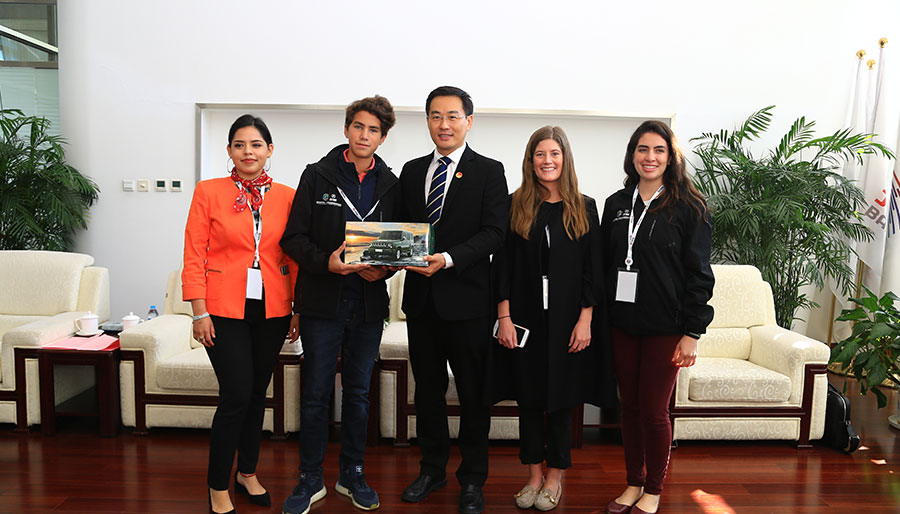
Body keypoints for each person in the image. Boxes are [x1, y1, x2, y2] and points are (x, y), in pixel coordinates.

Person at [279, 95, 398, 514]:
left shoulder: (391, 183)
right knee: (315, 393)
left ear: (382, 138)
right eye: (358, 126)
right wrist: (326, 263)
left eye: (373, 130)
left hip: (368, 305)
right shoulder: (317, 175)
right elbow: (293, 238)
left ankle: (352, 474)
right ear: (347, 129)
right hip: (322, 303)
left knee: (359, 394)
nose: (364, 135)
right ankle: (310, 477)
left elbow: (399, 244)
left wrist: (385, 271)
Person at [397, 86, 509, 514]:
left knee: (473, 394)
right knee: (428, 391)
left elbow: (495, 233)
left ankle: (473, 478)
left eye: (452, 116)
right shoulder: (411, 171)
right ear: (427, 120)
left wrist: (447, 258)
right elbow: (401, 229)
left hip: (468, 303)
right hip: (422, 302)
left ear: (469, 121)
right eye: (435, 116)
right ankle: (432, 469)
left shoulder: (489, 171)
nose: (443, 125)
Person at [183, 114, 299, 514]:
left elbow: (292, 255)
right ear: (230, 151)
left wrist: (296, 307)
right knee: (235, 394)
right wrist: (198, 311)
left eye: (256, 144)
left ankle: (247, 472)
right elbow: (194, 252)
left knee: (255, 394)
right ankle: (217, 485)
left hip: (273, 307)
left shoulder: (287, 196)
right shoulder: (208, 191)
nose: (248, 152)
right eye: (239, 145)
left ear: (269, 150)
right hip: (222, 307)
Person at [600, 120, 714, 514]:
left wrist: (692, 332)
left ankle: (654, 488)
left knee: (653, 411)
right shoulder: (617, 203)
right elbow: (605, 263)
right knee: (629, 408)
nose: (650, 157)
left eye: (659, 150)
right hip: (622, 324)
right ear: (632, 155)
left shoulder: (690, 207)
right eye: (642, 149)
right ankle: (633, 482)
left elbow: (700, 274)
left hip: (667, 327)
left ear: (670, 157)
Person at [493, 126, 602, 511]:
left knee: (560, 400)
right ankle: (533, 476)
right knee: (528, 399)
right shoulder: (515, 204)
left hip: (567, 321)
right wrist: (504, 316)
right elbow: (502, 265)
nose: (547, 161)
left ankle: (555, 477)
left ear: (565, 158)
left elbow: (593, 269)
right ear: (530, 160)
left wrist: (586, 319)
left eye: (554, 153)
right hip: (524, 320)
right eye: (540, 154)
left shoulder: (584, 206)